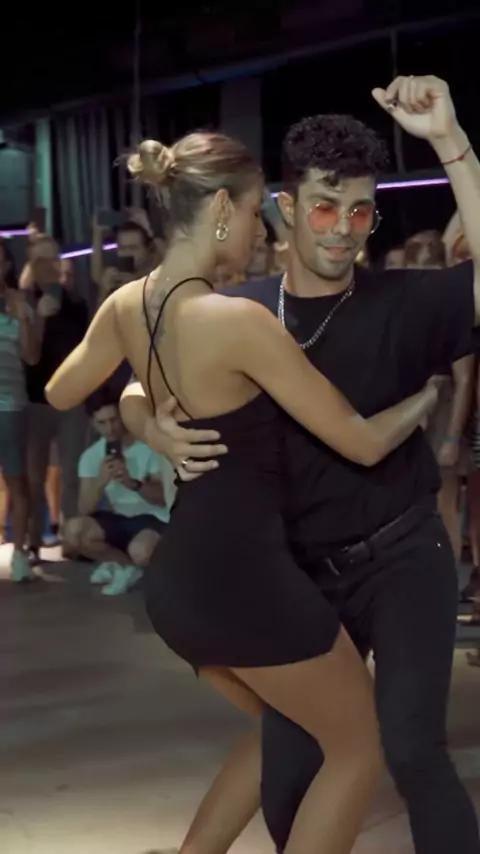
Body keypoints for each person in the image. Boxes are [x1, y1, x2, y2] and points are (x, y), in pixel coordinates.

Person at [44, 126, 439, 854]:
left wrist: (146, 416)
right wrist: (426, 400)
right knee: (356, 748)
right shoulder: (237, 320)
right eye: (258, 211)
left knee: (286, 728)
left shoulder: (128, 304)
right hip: (244, 580)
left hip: (178, 586)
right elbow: (359, 440)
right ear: (223, 208)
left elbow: (63, 389)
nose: (264, 229)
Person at [121, 76, 480, 854]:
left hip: (404, 554)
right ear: (284, 208)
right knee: (288, 772)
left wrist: (450, 141)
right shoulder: (238, 310)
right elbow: (136, 384)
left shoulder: (406, 302)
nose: (343, 229)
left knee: (412, 747)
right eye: (324, 207)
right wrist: (152, 425)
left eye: (360, 210)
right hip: (298, 577)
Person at [404, 230, 474, 561]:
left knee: (445, 501)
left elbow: (463, 379)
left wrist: (451, 438)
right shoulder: (406, 311)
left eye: (430, 270)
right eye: (416, 270)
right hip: (410, 406)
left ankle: (449, 575)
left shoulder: (454, 313)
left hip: (442, 406)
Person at [64, 390, 176, 596]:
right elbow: (84, 509)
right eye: (102, 423)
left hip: (154, 519)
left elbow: (163, 498)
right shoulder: (91, 456)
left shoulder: (147, 447)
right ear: (92, 423)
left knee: (141, 551)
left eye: (114, 420)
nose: (110, 428)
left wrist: (132, 483)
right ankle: (125, 567)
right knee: (73, 531)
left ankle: (127, 567)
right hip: (120, 518)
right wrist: (99, 483)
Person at [24, 236, 89, 563]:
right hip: (35, 402)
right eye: (41, 260)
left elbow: (86, 349)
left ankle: (72, 540)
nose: (48, 266)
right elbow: (28, 356)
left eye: (53, 259)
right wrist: (38, 317)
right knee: (34, 477)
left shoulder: (75, 303)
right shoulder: (22, 303)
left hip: (71, 400)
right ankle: (33, 543)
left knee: (72, 474)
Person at [0, 240, 39, 580]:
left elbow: (31, 356)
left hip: (11, 404)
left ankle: (19, 553)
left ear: (6, 266)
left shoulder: (18, 302)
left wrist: (22, 317)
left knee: (16, 479)